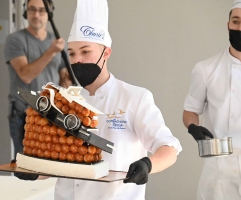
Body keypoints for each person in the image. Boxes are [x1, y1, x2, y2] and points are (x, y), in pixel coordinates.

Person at [52, 0, 182, 199]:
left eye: (86, 51)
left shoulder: (135, 98)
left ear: (106, 53)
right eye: (72, 53)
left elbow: (169, 148)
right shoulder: (65, 101)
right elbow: (55, 161)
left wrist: (147, 165)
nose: (78, 60)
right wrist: (30, 171)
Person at [182, 1, 241, 199]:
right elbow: (190, 111)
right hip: (219, 170)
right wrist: (193, 127)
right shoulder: (206, 69)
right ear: (228, 25)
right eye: (236, 21)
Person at [4, 0, 72, 159]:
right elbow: (25, 75)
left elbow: (64, 80)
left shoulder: (57, 42)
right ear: (25, 12)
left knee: (51, 162)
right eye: (32, 10)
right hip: (23, 113)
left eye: (42, 11)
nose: (36, 15)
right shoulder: (15, 40)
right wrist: (51, 52)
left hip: (51, 113)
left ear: (49, 14)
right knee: (26, 164)